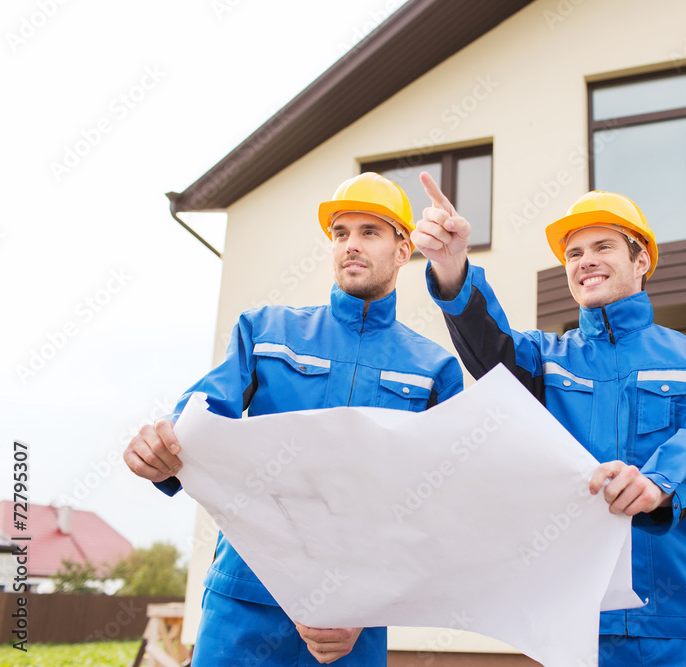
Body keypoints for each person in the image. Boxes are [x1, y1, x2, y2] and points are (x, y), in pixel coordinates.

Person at [124, 172, 464, 666]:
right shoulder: (266, 331)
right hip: (245, 603)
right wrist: (160, 449)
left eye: (370, 232)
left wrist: (366, 603)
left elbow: (440, 504)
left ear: (403, 248)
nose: (351, 245)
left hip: (354, 623)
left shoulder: (433, 369)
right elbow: (199, 421)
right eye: (341, 233)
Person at [412, 172, 686, 666]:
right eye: (574, 253)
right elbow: (490, 346)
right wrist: (451, 267)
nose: (585, 260)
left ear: (642, 260)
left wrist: (659, 482)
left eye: (603, 246)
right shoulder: (546, 360)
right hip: (583, 627)